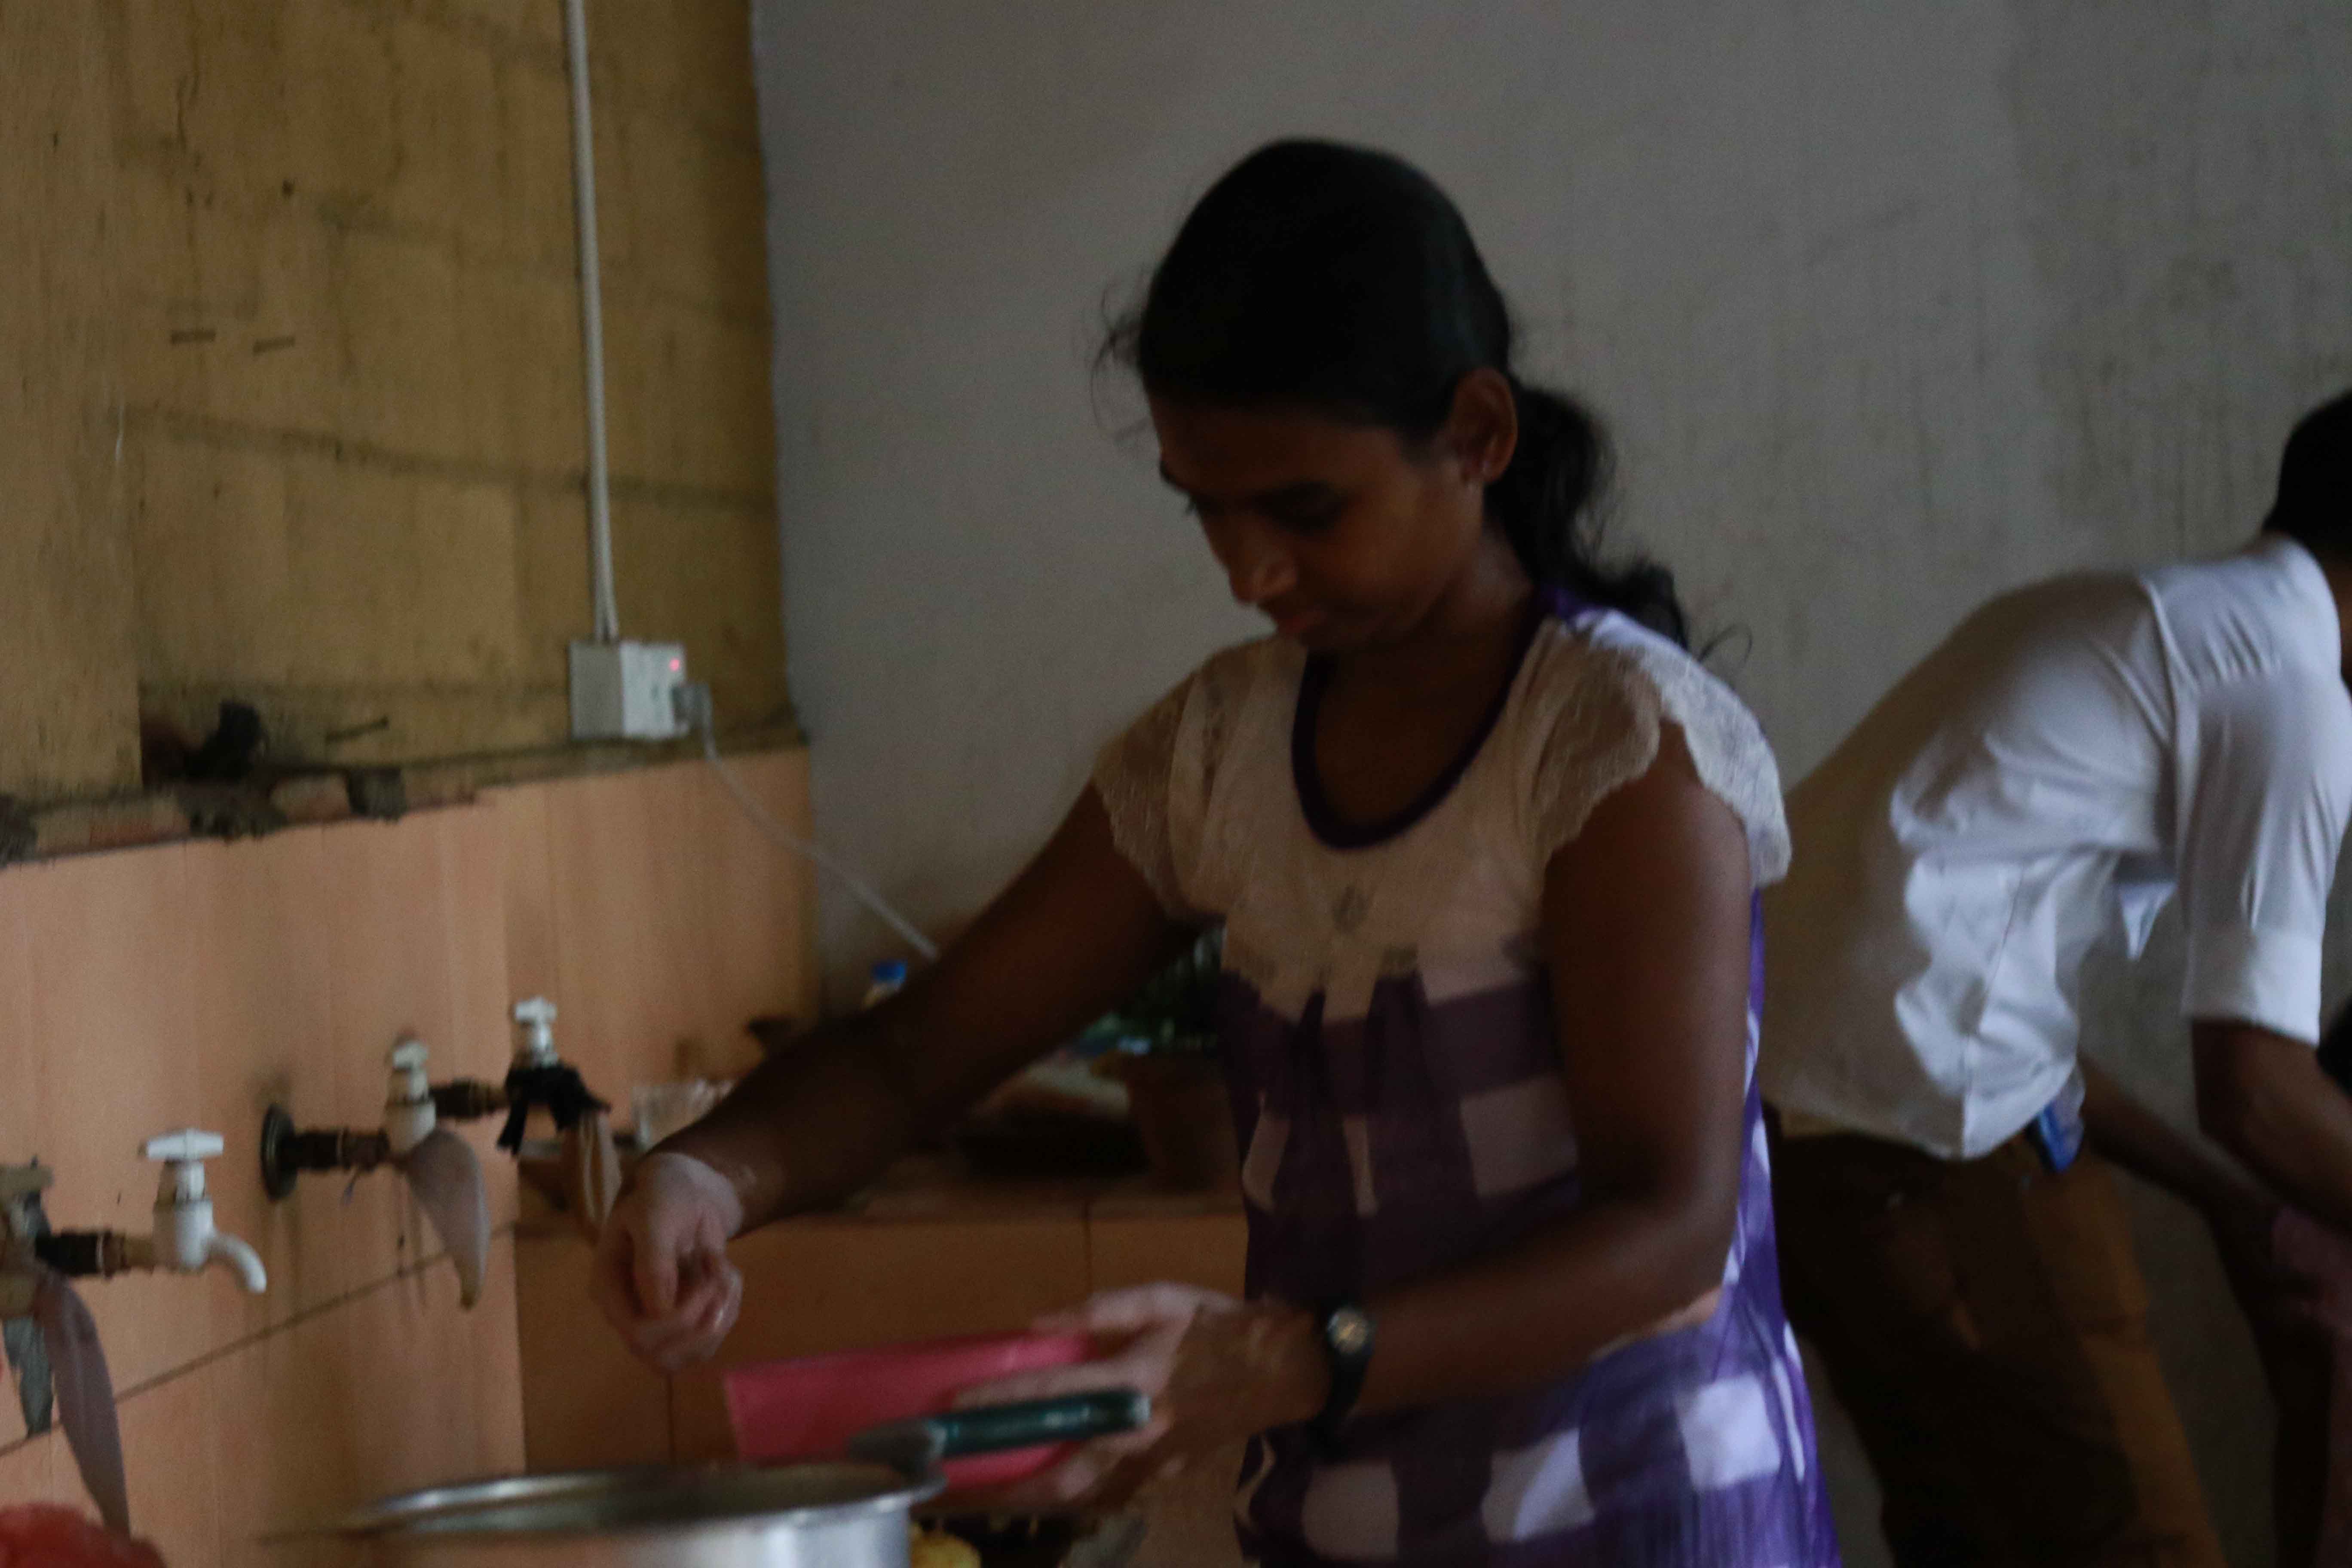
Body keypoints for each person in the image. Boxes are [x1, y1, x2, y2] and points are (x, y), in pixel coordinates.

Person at [594, 138, 1838, 1567]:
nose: (1250, 572)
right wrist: (709, 1176)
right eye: (1206, 509)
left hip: (1637, 1518)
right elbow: (914, 1056)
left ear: (1477, 434)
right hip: (1348, 1524)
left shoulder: (1614, 745)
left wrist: (1286, 1360)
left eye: (1306, 510)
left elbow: (1671, 1234)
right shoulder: (1221, 754)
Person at [1761, 388, 2352, 1567]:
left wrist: (2224, 1200)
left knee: (1970, 1538)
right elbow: (2257, 1091)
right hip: (1931, 1164)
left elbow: (1970, 1012)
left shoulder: (2125, 619)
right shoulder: (2288, 690)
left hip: (1800, 1154)